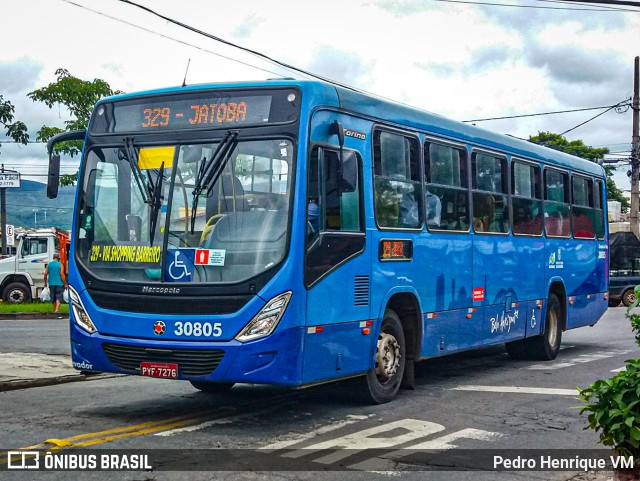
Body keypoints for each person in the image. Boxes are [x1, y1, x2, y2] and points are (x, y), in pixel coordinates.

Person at [44, 252, 67, 317]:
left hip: (51, 283)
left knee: (53, 297)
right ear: (58, 258)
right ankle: (57, 310)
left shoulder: (49, 265)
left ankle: (55, 310)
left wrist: (45, 283)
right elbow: (62, 274)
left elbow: (45, 274)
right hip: (59, 283)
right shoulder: (60, 264)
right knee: (59, 296)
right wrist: (65, 283)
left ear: (53, 258)